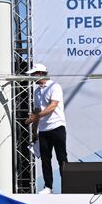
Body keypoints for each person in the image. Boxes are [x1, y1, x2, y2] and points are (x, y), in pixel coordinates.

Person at [26, 62, 67, 193]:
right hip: (43, 130)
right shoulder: (37, 91)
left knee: (62, 158)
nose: (32, 77)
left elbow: (53, 105)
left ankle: (67, 186)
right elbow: (37, 110)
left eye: (33, 75)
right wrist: (34, 130)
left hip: (57, 126)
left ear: (39, 74)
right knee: (45, 159)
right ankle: (48, 186)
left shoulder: (55, 86)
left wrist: (35, 117)